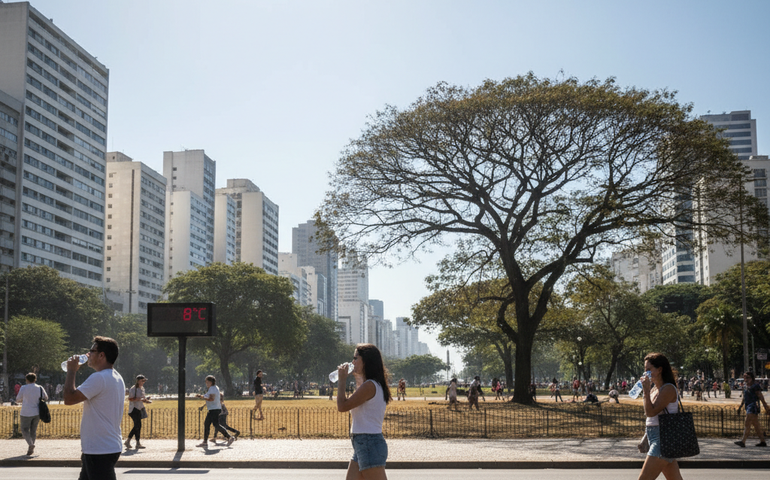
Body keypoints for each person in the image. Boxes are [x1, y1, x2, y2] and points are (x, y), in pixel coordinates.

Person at [63, 336, 126, 480]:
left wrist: (71, 371)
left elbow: (69, 398)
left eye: (92, 351)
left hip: (99, 449)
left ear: (101, 355)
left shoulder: (99, 377)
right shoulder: (116, 376)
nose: (88, 354)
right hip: (104, 447)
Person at [336, 343, 392, 480]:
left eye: (356, 358)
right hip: (363, 443)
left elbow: (342, 406)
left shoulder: (370, 386)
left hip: (368, 442)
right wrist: (356, 375)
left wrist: (342, 380)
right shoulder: (372, 384)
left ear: (366, 361)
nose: (352, 362)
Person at [637, 352, 682, 480]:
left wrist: (645, 391)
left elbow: (651, 412)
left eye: (649, 369)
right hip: (655, 437)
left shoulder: (668, 389)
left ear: (660, 369)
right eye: (645, 370)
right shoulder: (654, 389)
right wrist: (646, 437)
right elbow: (651, 418)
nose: (645, 373)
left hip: (663, 439)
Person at [195, 375, 234, 447]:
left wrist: (202, 397)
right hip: (215, 409)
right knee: (214, 424)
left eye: (207, 382)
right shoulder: (214, 388)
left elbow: (211, 398)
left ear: (210, 382)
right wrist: (203, 396)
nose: (206, 384)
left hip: (214, 409)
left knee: (209, 424)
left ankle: (206, 442)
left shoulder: (212, 389)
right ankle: (229, 437)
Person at [734, 371, 770, 448]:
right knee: (756, 426)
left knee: (747, 423)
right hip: (747, 406)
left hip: (753, 406)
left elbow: (761, 397)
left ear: (752, 378)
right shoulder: (745, 386)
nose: (746, 379)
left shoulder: (755, 386)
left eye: (747, 377)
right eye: (744, 377)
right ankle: (763, 441)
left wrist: (766, 407)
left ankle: (743, 441)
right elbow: (744, 398)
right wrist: (740, 407)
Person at [17, 372, 48, 456]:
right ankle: (31, 447)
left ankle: (30, 444)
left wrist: (23, 400)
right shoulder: (40, 387)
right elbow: (45, 397)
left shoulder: (23, 388)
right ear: (35, 379)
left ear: (26, 379)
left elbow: (18, 399)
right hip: (36, 412)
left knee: (24, 429)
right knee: (33, 431)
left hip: (25, 412)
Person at [125, 374, 152, 449]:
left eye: (144, 381)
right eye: (142, 381)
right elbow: (130, 399)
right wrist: (140, 399)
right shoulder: (133, 389)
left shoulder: (142, 388)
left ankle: (133, 442)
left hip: (140, 408)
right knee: (137, 426)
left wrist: (146, 400)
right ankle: (133, 442)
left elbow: (142, 399)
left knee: (138, 426)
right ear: (138, 381)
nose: (144, 382)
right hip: (134, 409)